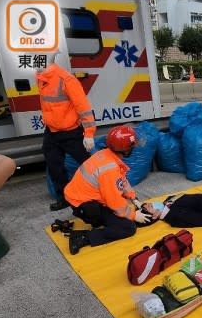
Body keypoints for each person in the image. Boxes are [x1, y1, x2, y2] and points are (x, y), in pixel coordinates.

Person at [63, 125, 152, 255]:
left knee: (122, 215)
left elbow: (121, 181)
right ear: (126, 149)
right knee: (128, 228)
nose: (133, 148)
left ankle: (97, 219)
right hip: (84, 205)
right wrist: (134, 215)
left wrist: (134, 199)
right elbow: (115, 202)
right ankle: (83, 237)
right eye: (132, 146)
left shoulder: (106, 155)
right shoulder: (109, 170)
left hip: (83, 197)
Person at [38, 57, 97, 211]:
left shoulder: (66, 79)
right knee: (54, 166)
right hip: (51, 132)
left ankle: (100, 192)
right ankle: (64, 198)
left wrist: (89, 133)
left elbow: (83, 106)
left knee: (89, 165)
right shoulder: (41, 78)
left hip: (71, 132)